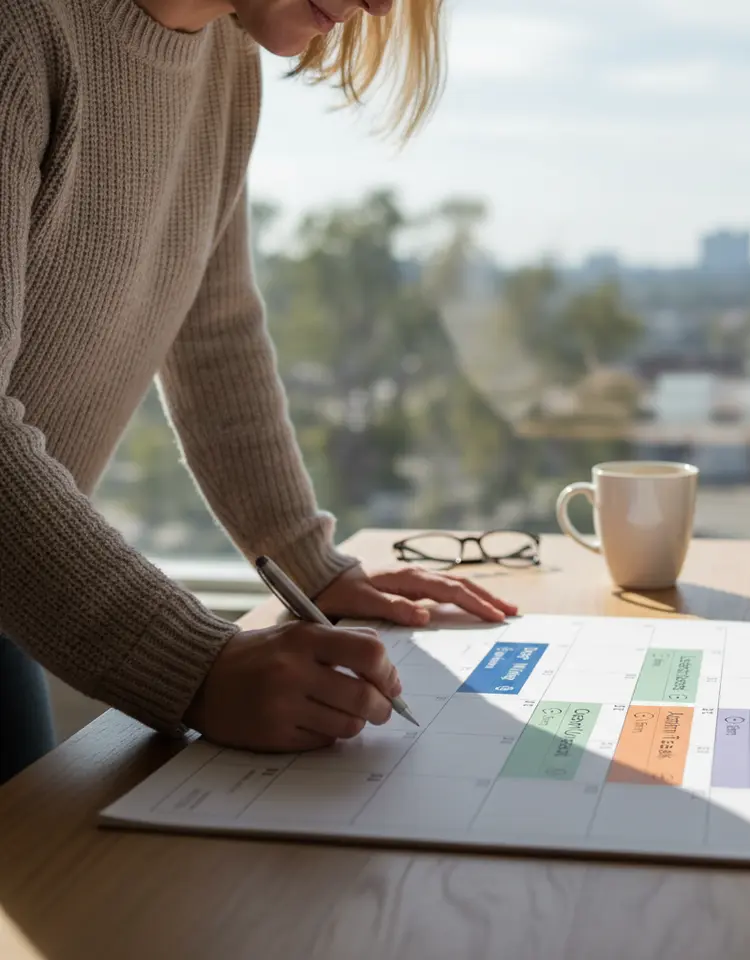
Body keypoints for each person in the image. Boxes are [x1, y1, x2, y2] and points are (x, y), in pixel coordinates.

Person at [0, 0, 518, 785]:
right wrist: (198, 667)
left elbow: (214, 332)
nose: (382, 4)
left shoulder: (224, 67)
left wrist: (315, 566)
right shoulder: (21, 33)